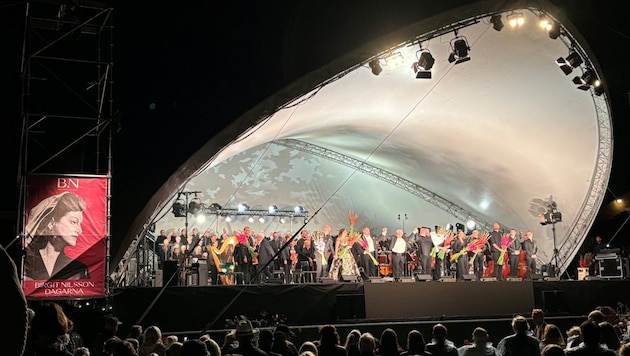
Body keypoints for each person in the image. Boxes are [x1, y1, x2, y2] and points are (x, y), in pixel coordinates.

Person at [24, 192, 90, 280]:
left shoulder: (78, 269)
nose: (79, 230)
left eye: (79, 224)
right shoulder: (25, 262)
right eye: (73, 222)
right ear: (51, 223)